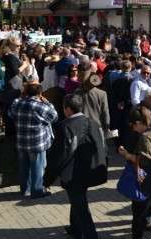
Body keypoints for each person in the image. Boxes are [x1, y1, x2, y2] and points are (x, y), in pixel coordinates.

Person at [44, 94, 107, 239]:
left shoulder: (65, 127)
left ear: (67, 109)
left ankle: (90, 235)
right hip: (92, 169)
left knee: (81, 206)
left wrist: (47, 179)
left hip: (74, 175)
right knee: (78, 200)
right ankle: (75, 228)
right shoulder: (93, 122)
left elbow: (59, 156)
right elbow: (103, 147)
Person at [8, 82, 58, 198]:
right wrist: (47, 102)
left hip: (21, 143)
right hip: (37, 144)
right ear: (40, 93)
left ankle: (25, 190)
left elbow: (10, 113)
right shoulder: (41, 106)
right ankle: (37, 191)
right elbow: (54, 117)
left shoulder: (18, 104)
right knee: (37, 168)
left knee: (23, 168)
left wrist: (20, 97)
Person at [118, 107, 151, 238]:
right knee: (145, 208)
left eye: (133, 125)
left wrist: (126, 155)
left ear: (138, 123)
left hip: (144, 178)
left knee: (138, 212)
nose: (132, 128)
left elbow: (143, 160)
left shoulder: (145, 137)